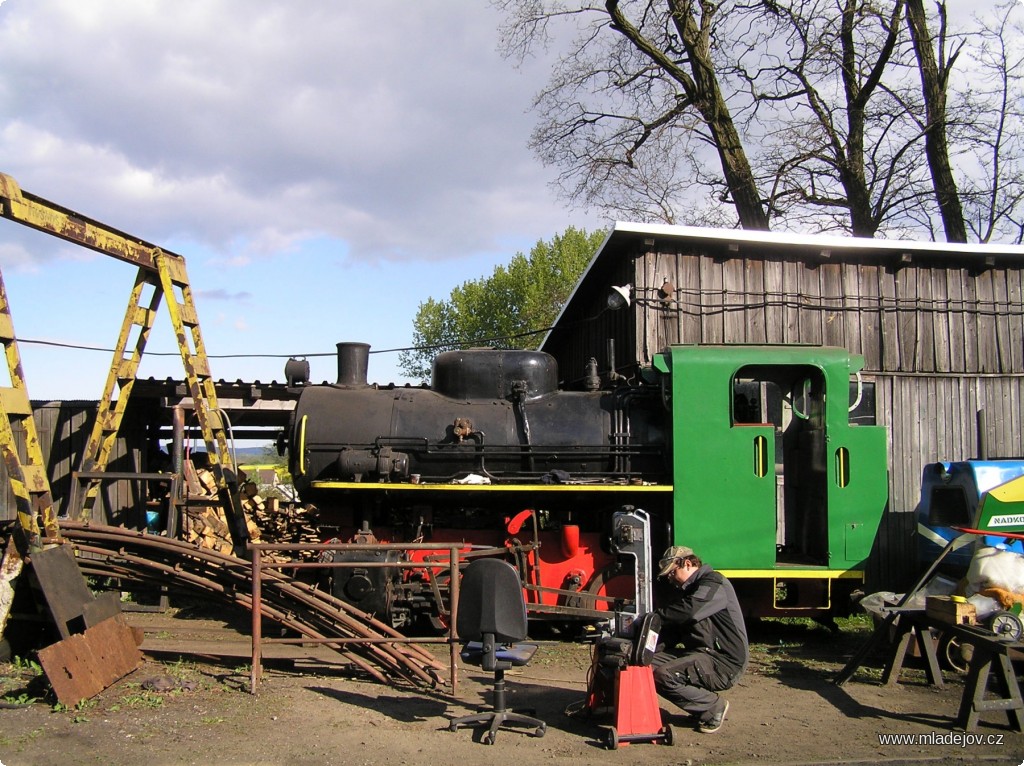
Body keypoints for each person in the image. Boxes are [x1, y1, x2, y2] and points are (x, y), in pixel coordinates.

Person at [649, 545, 749, 733]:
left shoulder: (714, 583)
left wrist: (653, 618)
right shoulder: (689, 592)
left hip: (724, 661)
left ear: (687, 563)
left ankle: (712, 707)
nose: (669, 579)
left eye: (672, 573)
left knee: (665, 675)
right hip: (701, 654)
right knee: (644, 664)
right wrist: (646, 648)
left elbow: (690, 612)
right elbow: (675, 630)